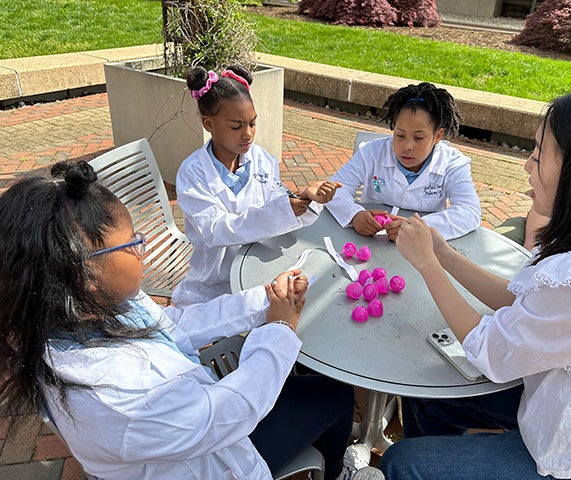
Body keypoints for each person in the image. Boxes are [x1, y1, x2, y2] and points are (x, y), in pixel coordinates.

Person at [0, 161, 383, 480]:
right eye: (132, 242)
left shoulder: (81, 307)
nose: (141, 248)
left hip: (200, 428)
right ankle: (337, 472)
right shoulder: (119, 403)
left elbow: (172, 324)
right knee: (334, 394)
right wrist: (278, 331)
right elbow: (231, 412)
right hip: (215, 456)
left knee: (323, 391)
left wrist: (263, 300)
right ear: (85, 274)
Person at [380, 84, 571, 479]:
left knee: (402, 462)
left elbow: (493, 352)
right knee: (425, 396)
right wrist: (445, 256)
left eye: (537, 154)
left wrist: (428, 266)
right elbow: (517, 299)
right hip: (551, 392)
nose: (526, 166)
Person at [172, 65, 342, 305]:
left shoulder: (261, 159)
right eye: (236, 126)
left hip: (261, 267)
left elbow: (276, 202)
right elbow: (216, 230)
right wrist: (281, 211)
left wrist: (305, 199)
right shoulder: (193, 173)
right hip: (213, 282)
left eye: (252, 123)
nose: (248, 134)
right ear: (208, 124)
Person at [325, 82, 481, 240]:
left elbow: (469, 212)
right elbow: (333, 190)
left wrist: (418, 228)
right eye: (400, 135)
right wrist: (354, 215)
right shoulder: (371, 152)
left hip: (422, 249)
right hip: (371, 241)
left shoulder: (453, 163)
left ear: (438, 136)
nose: (407, 146)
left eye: (419, 138)